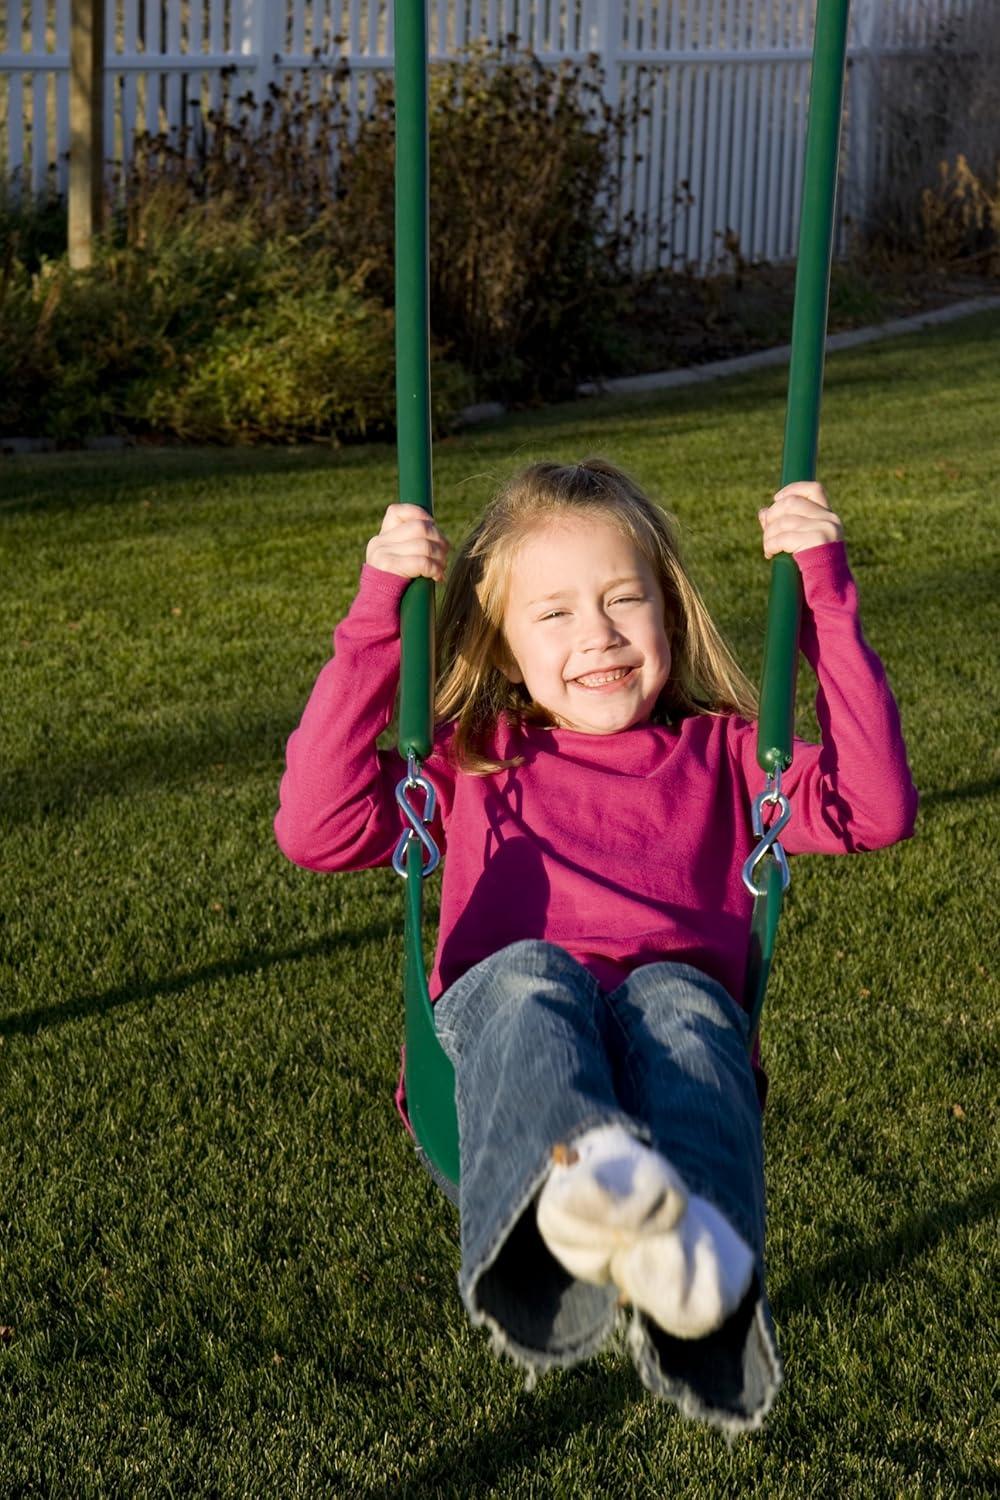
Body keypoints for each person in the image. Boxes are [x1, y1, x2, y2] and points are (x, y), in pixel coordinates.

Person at [275, 459, 917, 1434]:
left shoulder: (731, 758)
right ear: (496, 640)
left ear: (670, 609)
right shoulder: (468, 760)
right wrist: (376, 618)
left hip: (669, 1069)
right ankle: (564, 1184)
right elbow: (314, 828)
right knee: (535, 978)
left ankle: (698, 1279)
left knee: (681, 1000)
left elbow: (874, 809)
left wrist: (825, 595)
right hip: (504, 1068)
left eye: (625, 601)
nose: (600, 637)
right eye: (556, 615)